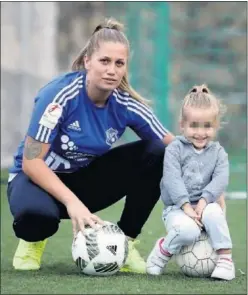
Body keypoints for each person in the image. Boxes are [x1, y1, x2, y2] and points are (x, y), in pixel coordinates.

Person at [7, 18, 175, 274]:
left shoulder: (126, 104)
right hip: (34, 180)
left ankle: (126, 243)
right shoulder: (58, 97)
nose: (112, 70)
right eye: (104, 61)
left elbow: (174, 147)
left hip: (83, 182)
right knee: (35, 219)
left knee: (158, 153)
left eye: (119, 63)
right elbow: (32, 162)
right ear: (88, 61)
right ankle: (32, 241)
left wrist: (209, 193)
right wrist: (72, 203)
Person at [146, 85, 235, 280]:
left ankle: (225, 259)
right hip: (177, 209)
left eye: (207, 126)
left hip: (206, 204)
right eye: (194, 125)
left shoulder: (219, 153)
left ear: (216, 126)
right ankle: (163, 250)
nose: (200, 133)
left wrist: (203, 202)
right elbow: (172, 179)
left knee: (214, 212)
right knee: (188, 231)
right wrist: (186, 206)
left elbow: (221, 179)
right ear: (182, 125)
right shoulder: (174, 150)